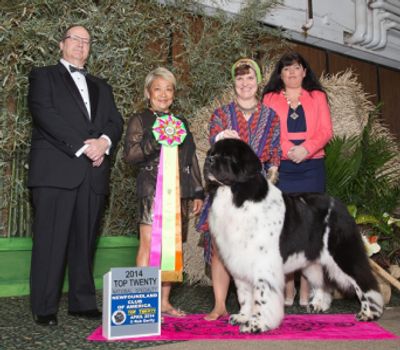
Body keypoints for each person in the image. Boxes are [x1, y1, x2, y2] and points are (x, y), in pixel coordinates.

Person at [27, 25, 123, 326]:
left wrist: (104, 143)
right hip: (56, 170)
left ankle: (82, 302)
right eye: (75, 40)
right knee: (50, 241)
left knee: (85, 241)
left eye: (86, 41)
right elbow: (45, 115)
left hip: (92, 176)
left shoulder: (101, 86)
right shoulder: (43, 76)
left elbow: (115, 121)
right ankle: (44, 306)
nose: (81, 45)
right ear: (61, 45)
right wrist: (86, 147)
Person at [197, 58, 281, 321]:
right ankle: (220, 304)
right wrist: (222, 139)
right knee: (221, 247)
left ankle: (258, 305)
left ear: (258, 82)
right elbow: (214, 142)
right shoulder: (220, 115)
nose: (245, 83)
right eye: (239, 78)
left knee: (257, 251)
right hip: (224, 193)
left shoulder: (271, 116)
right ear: (234, 82)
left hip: (256, 195)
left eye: (249, 78)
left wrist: (273, 173)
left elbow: (275, 151)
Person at [124, 67, 204, 317]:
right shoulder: (140, 119)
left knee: (171, 246)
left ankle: (165, 302)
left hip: (178, 192)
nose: (163, 94)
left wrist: (199, 192)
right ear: (148, 93)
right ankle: (145, 302)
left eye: (168, 89)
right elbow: (130, 155)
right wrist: (155, 140)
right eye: (158, 88)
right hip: (150, 189)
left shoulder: (181, 123)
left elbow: (190, 159)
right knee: (148, 244)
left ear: (173, 94)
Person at [263, 51, 333, 307]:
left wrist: (307, 149)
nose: (291, 73)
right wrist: (285, 150)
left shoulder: (317, 96)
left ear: (305, 71)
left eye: (296, 68)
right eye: (286, 69)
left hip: (311, 166)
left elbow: (326, 130)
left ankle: (307, 292)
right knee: (285, 229)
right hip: (282, 168)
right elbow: (268, 129)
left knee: (310, 228)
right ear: (279, 75)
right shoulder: (269, 98)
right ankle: (288, 290)